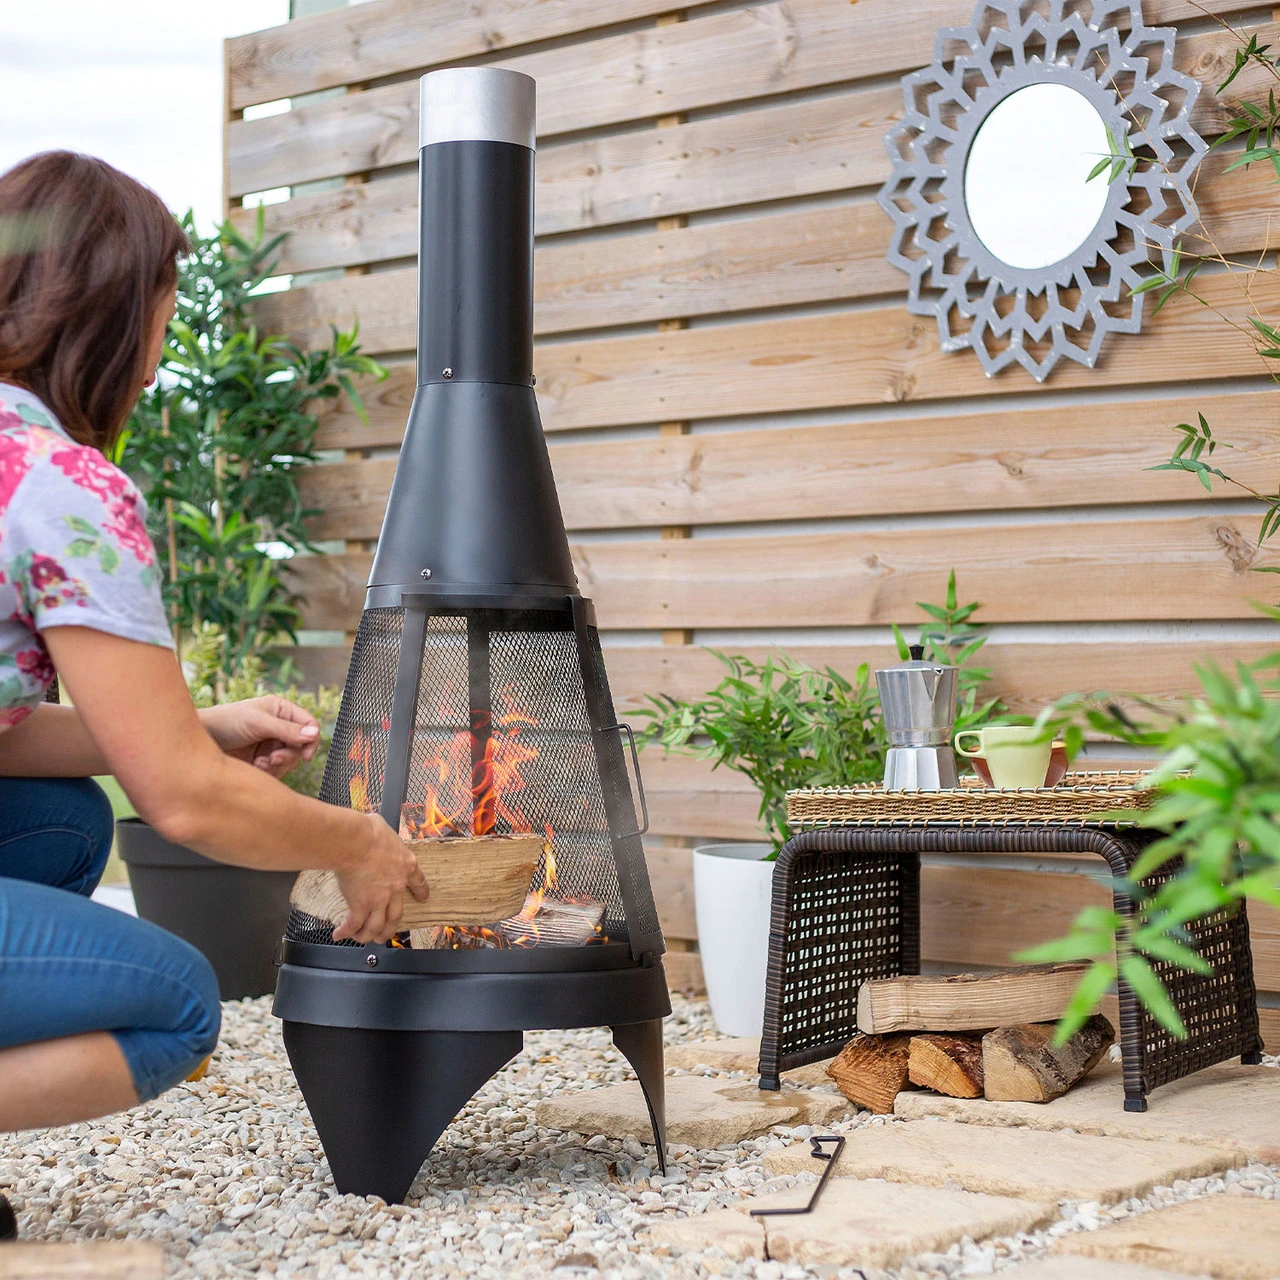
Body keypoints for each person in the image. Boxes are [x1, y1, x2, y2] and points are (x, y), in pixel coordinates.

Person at [0, 152, 428, 1239]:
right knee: (179, 1004)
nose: (155, 359)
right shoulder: (56, 484)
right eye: (162, 312)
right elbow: (185, 801)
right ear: (112, 311)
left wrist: (195, 726)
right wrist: (358, 840)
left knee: (59, 819)